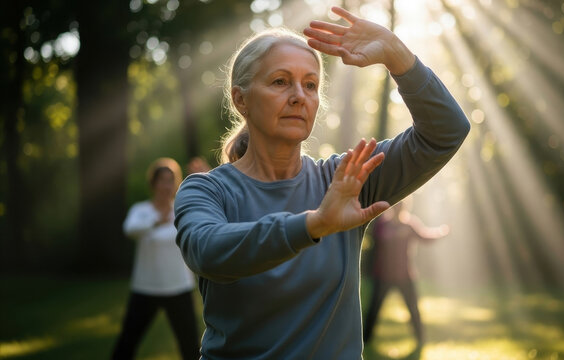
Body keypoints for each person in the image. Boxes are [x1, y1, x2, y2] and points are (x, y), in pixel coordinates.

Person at [174, 6, 470, 359]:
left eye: (310, 84)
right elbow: (208, 251)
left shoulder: (345, 178)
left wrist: (396, 54)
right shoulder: (205, 190)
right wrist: (314, 224)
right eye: (281, 81)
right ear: (241, 99)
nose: (299, 95)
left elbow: (446, 131)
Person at [112, 158, 199, 360]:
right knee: (126, 344)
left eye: (171, 180)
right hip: (146, 288)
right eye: (162, 180)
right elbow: (130, 229)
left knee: (191, 348)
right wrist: (156, 221)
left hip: (179, 287)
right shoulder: (141, 211)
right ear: (153, 184)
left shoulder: (182, 210)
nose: (166, 186)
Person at [363, 200, 450, 347]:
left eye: (401, 206)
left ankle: (420, 340)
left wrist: (442, 232)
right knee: (373, 310)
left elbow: (425, 237)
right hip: (383, 276)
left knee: (413, 310)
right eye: (396, 206)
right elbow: (371, 239)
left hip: (405, 276)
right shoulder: (381, 225)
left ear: (405, 207)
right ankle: (364, 339)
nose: (398, 208)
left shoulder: (409, 224)